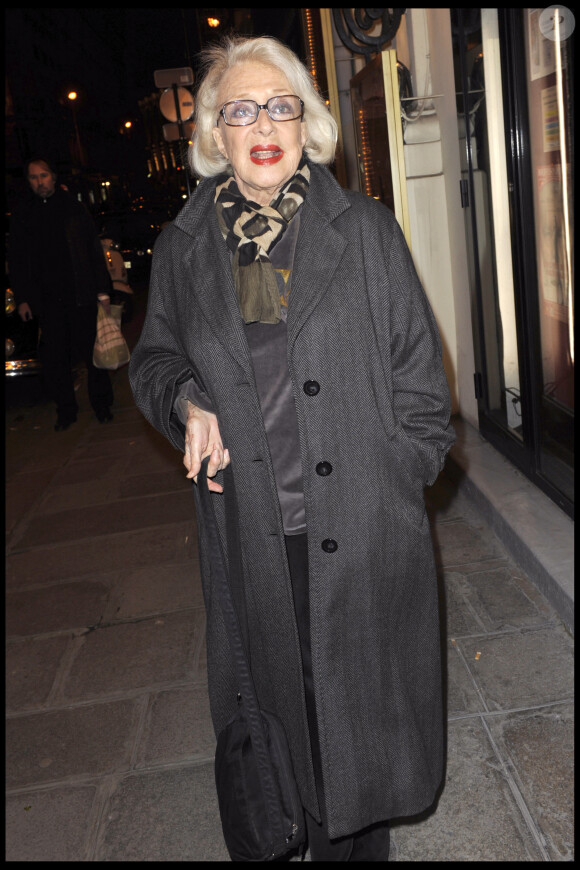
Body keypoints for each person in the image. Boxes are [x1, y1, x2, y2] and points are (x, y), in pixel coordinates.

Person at [129, 36, 456, 862]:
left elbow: (423, 382)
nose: (263, 124)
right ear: (213, 134)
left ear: (308, 123)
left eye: (281, 105)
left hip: (361, 526)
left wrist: (396, 477)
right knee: (286, 720)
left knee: (360, 725)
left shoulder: (367, 232)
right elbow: (157, 358)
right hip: (253, 535)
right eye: (240, 110)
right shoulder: (186, 247)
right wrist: (186, 401)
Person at [8, 158, 114, 430]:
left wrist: (102, 290)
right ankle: (66, 411)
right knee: (55, 360)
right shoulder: (24, 215)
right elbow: (18, 260)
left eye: (44, 175)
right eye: (33, 177)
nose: (39, 181)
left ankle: (102, 406)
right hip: (46, 301)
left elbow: (92, 250)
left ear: (53, 177)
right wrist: (22, 298)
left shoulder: (73, 207)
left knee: (93, 355)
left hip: (80, 295)